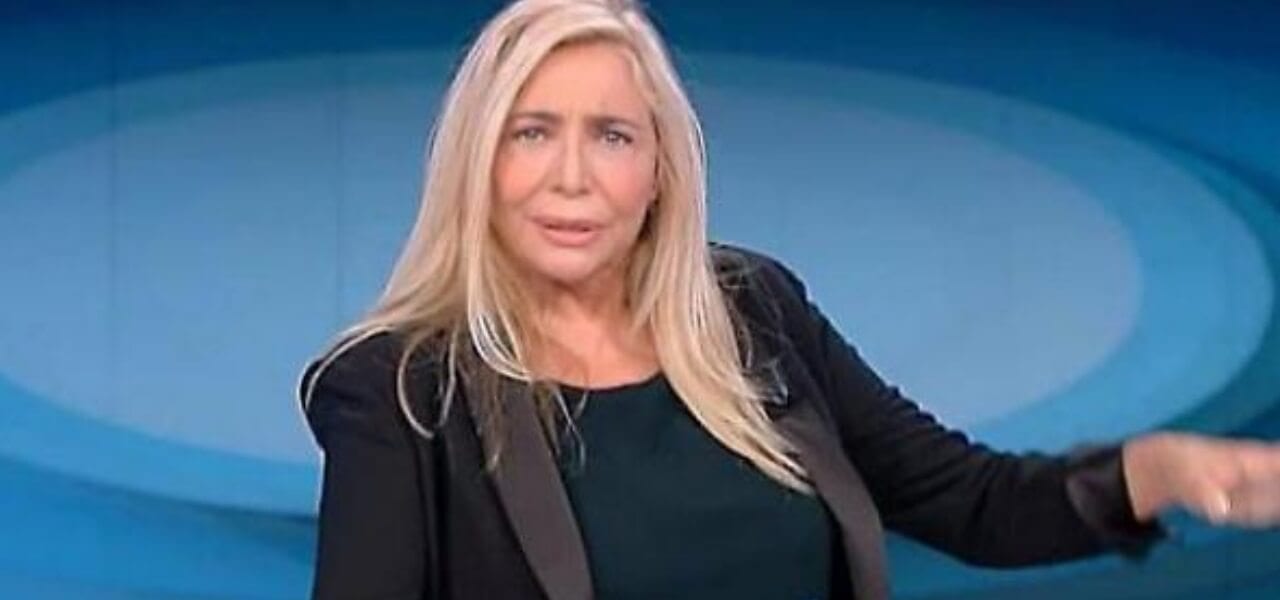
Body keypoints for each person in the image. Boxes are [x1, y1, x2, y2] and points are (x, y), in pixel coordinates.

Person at [297, 1, 1280, 598]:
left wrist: (1159, 471)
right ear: (477, 164)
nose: (571, 178)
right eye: (531, 132)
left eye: (611, 136)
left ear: (659, 171)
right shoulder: (399, 391)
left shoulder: (754, 313)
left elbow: (970, 503)